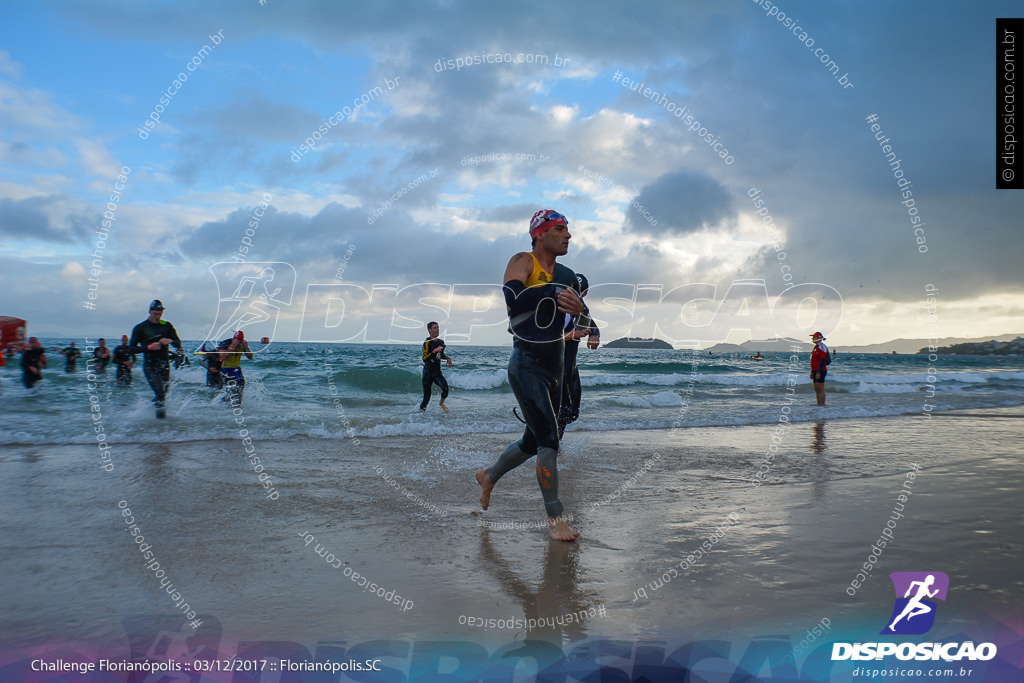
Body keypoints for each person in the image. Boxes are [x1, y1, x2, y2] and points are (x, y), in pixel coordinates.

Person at [475, 209, 584, 542]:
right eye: (561, 229)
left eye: (568, 229)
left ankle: (488, 476)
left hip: (556, 370)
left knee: (530, 442)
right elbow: (512, 300)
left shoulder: (566, 276)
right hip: (526, 366)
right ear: (540, 234)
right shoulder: (523, 260)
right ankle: (556, 520)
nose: (568, 236)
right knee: (549, 440)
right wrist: (552, 294)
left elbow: (574, 318)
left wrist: (581, 315)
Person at [557, 273, 600, 439]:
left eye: (576, 293)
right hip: (553, 369)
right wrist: (571, 335)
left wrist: (594, 335)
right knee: (563, 409)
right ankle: (552, 447)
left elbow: (591, 325)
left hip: (570, 369)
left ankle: (548, 439)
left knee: (572, 414)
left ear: (583, 294)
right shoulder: (552, 305)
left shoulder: (581, 309)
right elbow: (541, 337)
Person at [129, 300, 182, 418]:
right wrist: (149, 347)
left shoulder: (166, 325)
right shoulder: (141, 327)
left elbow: (178, 342)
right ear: (149, 312)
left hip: (164, 364)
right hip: (150, 365)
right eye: (155, 314)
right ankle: (161, 423)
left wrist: (170, 341)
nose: (158, 316)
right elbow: (131, 349)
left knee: (163, 393)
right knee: (160, 394)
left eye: (160, 313)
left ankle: (152, 410)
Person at [419, 321, 453, 413]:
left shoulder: (441, 342)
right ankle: (419, 417)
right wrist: (434, 351)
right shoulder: (427, 343)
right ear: (429, 330)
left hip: (437, 372)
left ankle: (441, 403)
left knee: (445, 389)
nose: (437, 329)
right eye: (435, 328)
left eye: (438, 327)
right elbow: (425, 358)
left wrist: (447, 358)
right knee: (426, 398)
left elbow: (440, 355)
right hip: (428, 373)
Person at [218, 331, 253, 407]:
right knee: (230, 388)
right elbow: (222, 357)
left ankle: (237, 404)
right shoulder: (226, 343)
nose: (239, 343)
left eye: (240, 341)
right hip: (226, 369)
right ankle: (223, 404)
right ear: (233, 338)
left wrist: (246, 348)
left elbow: (250, 357)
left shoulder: (242, 345)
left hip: (237, 369)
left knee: (241, 385)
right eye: (237, 341)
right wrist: (232, 347)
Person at [809, 331, 831, 406]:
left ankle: (822, 405)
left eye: (814, 337)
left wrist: (818, 372)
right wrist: (812, 371)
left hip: (821, 370)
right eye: (813, 337)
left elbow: (822, 359)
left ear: (819, 338)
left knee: (820, 389)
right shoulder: (815, 347)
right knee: (817, 389)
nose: (813, 338)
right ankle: (819, 405)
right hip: (815, 370)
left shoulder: (822, 346)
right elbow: (813, 360)